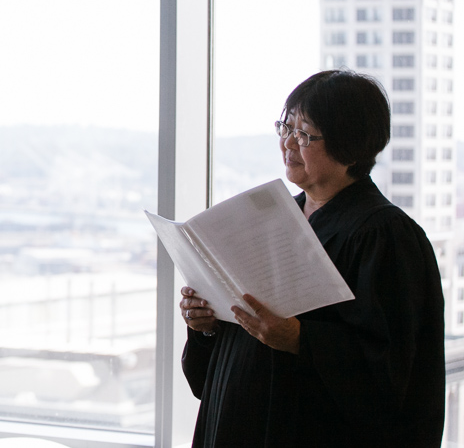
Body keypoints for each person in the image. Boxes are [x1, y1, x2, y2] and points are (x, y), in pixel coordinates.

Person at [180, 70, 445, 447]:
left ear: (350, 145)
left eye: (303, 134)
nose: (287, 143)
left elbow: (390, 374)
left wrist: (299, 339)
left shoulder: (384, 235)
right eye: (285, 127)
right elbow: (210, 373)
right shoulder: (266, 221)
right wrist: (205, 325)